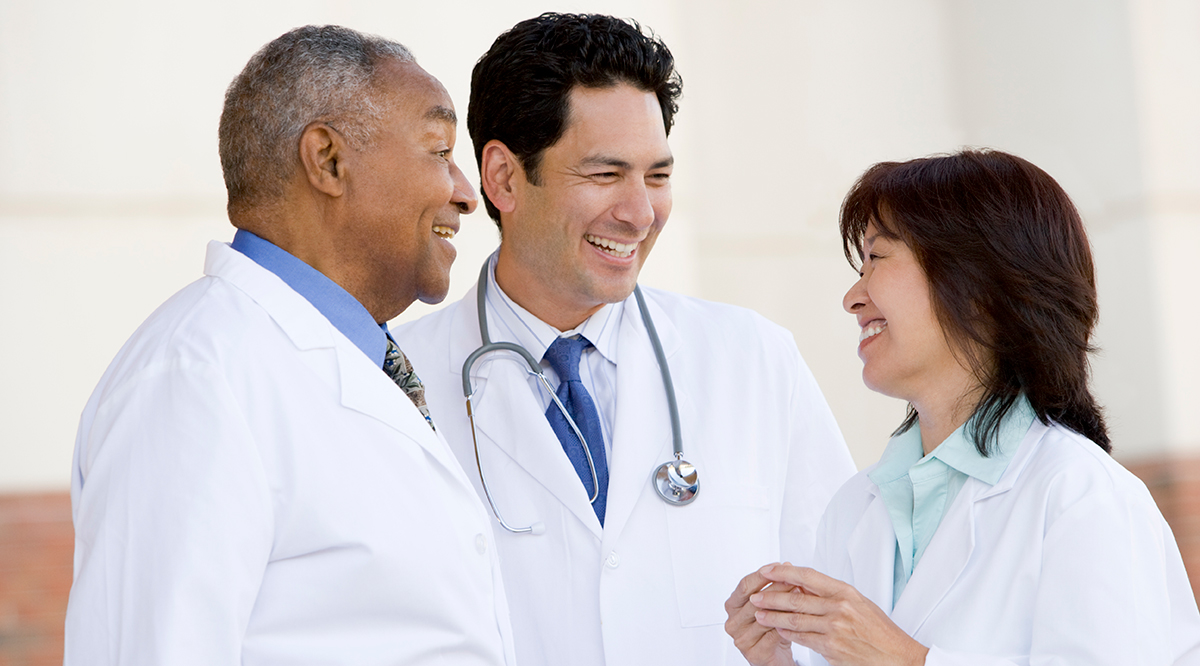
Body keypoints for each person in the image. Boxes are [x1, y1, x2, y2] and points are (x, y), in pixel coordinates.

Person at [392, 12, 856, 666]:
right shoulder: (392, 381)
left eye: (658, 176)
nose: (641, 213)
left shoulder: (752, 360)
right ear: (502, 178)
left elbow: (846, 613)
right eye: (605, 175)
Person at [64, 25, 515, 665]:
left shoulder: (356, 362)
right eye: (439, 150)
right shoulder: (194, 376)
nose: (467, 193)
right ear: (328, 160)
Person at [724, 149, 1200, 665]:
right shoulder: (855, 509)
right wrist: (778, 661)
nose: (853, 298)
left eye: (877, 258)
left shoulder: (1081, 494)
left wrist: (904, 659)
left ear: (978, 286)